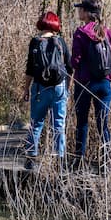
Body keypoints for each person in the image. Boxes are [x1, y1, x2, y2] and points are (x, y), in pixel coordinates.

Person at [70, 0, 111, 170]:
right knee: (102, 124)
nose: (78, 12)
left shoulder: (80, 33)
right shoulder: (108, 32)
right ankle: (107, 162)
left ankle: (78, 162)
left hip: (84, 84)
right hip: (104, 84)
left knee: (82, 123)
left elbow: (75, 61)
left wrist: (73, 65)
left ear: (86, 12)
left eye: (80, 9)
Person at [23, 11, 71, 169]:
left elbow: (30, 68)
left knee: (36, 122)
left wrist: (26, 89)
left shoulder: (35, 42)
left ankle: (31, 156)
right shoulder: (60, 41)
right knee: (59, 123)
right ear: (55, 24)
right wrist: (66, 87)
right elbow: (70, 66)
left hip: (39, 88)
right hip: (59, 87)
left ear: (41, 23)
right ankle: (60, 158)